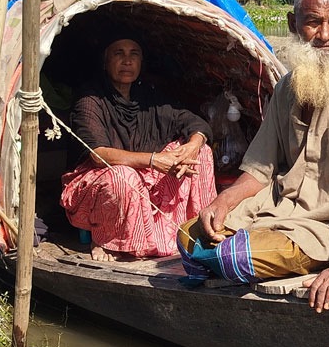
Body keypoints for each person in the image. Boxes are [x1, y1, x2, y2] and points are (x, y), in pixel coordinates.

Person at [177, 0, 329, 312]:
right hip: (278, 209)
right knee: (189, 237)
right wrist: (223, 201)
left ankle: (266, 262)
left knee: (234, 257)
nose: (325, 35)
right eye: (313, 23)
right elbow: (260, 168)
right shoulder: (287, 87)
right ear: (293, 24)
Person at [61, 36, 216, 261]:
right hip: (98, 181)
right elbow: (99, 155)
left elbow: (193, 122)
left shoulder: (149, 97)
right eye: (118, 53)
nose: (127, 61)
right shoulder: (90, 99)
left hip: (144, 176)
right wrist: (154, 160)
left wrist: (193, 144)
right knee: (123, 176)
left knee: (201, 153)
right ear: (105, 61)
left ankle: (194, 232)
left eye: (134, 54)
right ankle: (109, 241)